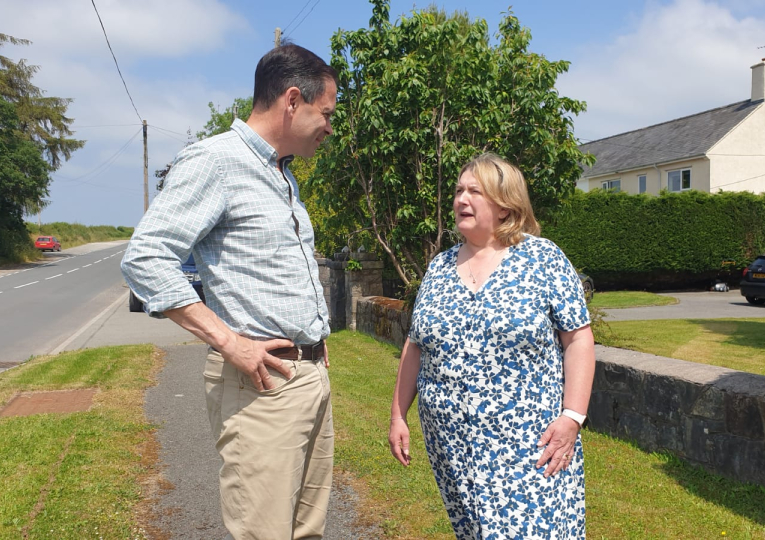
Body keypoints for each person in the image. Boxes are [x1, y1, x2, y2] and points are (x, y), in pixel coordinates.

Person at [121, 44, 337, 540]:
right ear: (291, 101)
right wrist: (228, 341)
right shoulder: (217, 161)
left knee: (306, 532)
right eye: (325, 113)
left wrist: (314, 343)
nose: (329, 126)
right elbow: (145, 258)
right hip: (261, 388)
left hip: (307, 376)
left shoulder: (280, 174)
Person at [388, 152, 596, 539]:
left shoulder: (542, 258)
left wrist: (572, 416)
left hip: (528, 444)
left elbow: (578, 338)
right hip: (453, 448)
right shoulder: (440, 267)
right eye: (458, 191)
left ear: (505, 206)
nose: (460, 199)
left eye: (474, 192)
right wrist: (398, 415)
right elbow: (415, 345)